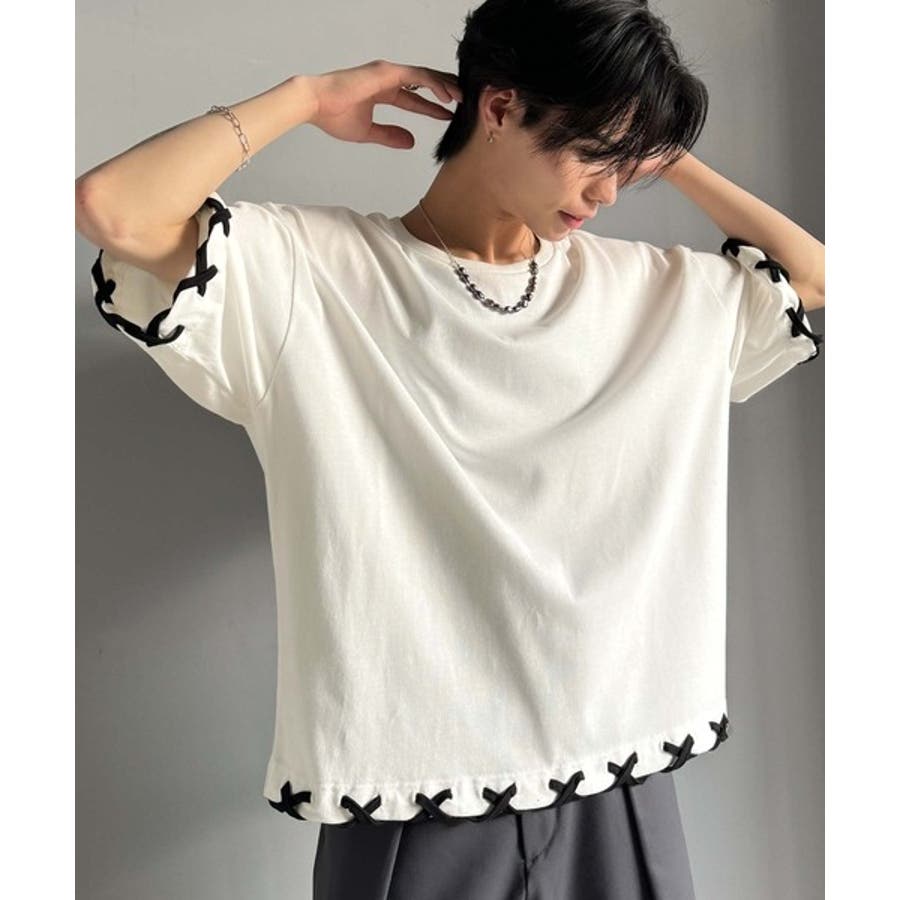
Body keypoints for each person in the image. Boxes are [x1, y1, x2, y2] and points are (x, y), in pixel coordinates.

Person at [75, 1, 824, 897]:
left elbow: (816, 277)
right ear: (499, 107)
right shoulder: (315, 274)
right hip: (410, 789)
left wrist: (655, 146)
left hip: (617, 771)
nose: (608, 195)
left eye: (628, 169)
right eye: (593, 155)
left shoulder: (648, 295)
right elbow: (113, 207)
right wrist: (307, 96)